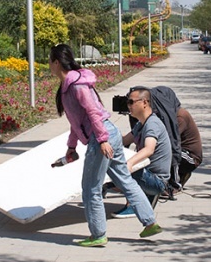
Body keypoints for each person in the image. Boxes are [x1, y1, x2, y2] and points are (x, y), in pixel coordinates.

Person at [49, 44, 162, 246]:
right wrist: (71, 147)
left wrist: (101, 140)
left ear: (56, 62)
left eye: (50, 62)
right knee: (125, 180)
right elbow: (77, 121)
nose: (49, 66)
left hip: (102, 137)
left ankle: (98, 234)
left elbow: (93, 112)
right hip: (108, 133)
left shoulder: (76, 85)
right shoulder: (70, 85)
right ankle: (150, 222)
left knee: (91, 187)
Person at [113, 87, 172, 218]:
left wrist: (129, 164)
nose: (128, 105)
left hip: (156, 181)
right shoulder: (141, 124)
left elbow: (149, 149)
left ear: (145, 103)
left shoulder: (152, 124)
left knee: (123, 168)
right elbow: (123, 141)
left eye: (131, 102)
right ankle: (140, 199)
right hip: (147, 174)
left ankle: (135, 207)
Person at [177, 107, 202, 186]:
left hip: (191, 158)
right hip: (181, 151)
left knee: (167, 151)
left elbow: (170, 140)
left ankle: (175, 182)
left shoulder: (179, 116)